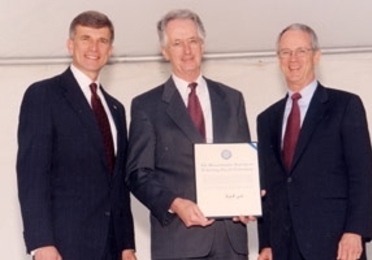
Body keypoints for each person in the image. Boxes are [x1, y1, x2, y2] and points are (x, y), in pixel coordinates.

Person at [126, 9, 254, 260]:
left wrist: (248, 200)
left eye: (192, 41)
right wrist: (174, 203)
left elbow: (245, 163)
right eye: (177, 43)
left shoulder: (232, 99)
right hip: (178, 241)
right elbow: (138, 175)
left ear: (203, 45)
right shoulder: (146, 105)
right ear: (165, 52)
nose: (186, 50)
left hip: (231, 243)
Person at [16, 10, 137, 260]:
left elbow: (118, 186)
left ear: (110, 50)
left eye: (102, 40)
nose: (94, 47)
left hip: (112, 248)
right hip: (63, 246)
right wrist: (41, 244)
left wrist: (127, 246)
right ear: (70, 45)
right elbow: (32, 175)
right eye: (86, 38)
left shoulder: (116, 108)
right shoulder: (44, 95)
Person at [256, 23, 372, 260]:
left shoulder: (345, 105)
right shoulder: (266, 119)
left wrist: (355, 231)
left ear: (316, 56)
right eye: (286, 52)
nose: (293, 59)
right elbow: (269, 185)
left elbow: (361, 174)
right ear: (278, 59)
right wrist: (266, 243)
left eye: (302, 51)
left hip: (336, 245)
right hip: (283, 246)